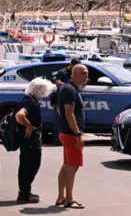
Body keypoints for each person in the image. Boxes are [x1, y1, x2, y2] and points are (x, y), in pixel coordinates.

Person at [15, 77, 54, 203]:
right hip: (30, 141)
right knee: (31, 165)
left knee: (26, 165)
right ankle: (24, 193)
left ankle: (24, 192)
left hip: (28, 140)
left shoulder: (29, 99)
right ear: (39, 90)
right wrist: (29, 126)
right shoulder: (30, 102)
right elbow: (20, 115)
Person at [55, 64, 88, 209]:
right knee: (72, 167)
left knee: (67, 165)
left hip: (65, 131)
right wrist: (77, 133)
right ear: (75, 74)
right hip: (70, 134)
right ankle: (69, 198)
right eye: (84, 73)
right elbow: (69, 113)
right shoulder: (69, 89)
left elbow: (58, 109)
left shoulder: (68, 88)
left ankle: (61, 196)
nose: (87, 77)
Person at [52, 58, 81, 145]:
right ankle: (57, 140)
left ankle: (67, 137)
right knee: (60, 118)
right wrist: (68, 86)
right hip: (60, 98)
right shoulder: (62, 72)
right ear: (71, 65)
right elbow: (57, 82)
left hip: (69, 98)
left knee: (69, 118)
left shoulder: (74, 73)